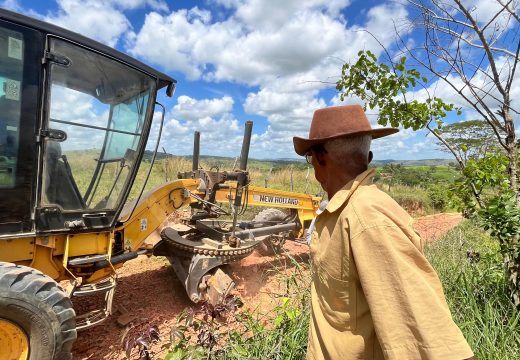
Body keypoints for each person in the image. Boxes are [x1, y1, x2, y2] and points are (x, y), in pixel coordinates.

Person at [293, 104, 474, 360]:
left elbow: (430, 336)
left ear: (320, 158)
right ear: (368, 159)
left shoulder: (367, 218)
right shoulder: (344, 211)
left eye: (310, 158)